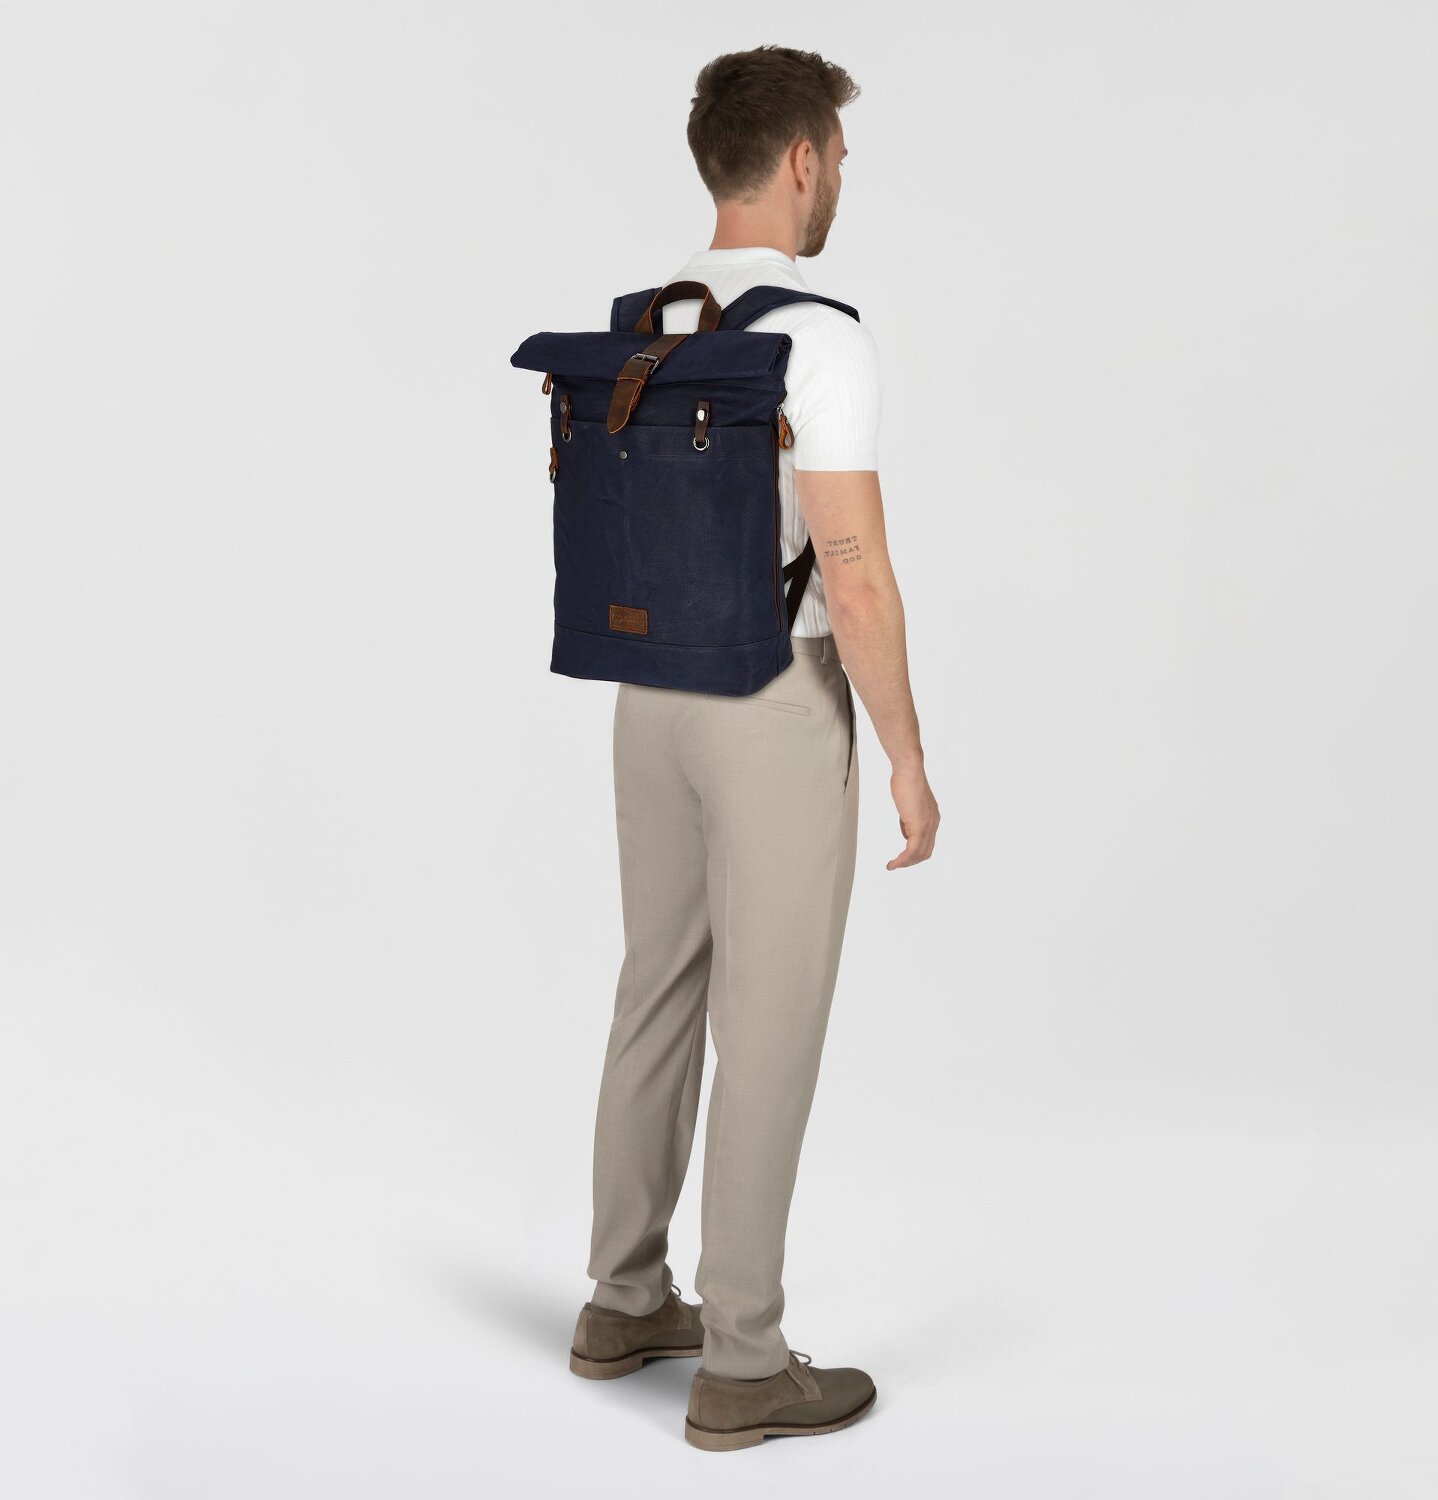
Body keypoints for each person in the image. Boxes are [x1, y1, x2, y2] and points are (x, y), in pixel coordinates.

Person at [565, 45, 940, 1451]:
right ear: (799, 160)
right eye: (836, 155)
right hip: (774, 701)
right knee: (767, 1026)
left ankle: (622, 1300)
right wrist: (905, 755)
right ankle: (743, 1362)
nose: (840, 177)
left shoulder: (646, 324)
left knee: (657, 988)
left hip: (646, 697)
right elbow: (854, 573)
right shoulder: (819, 339)